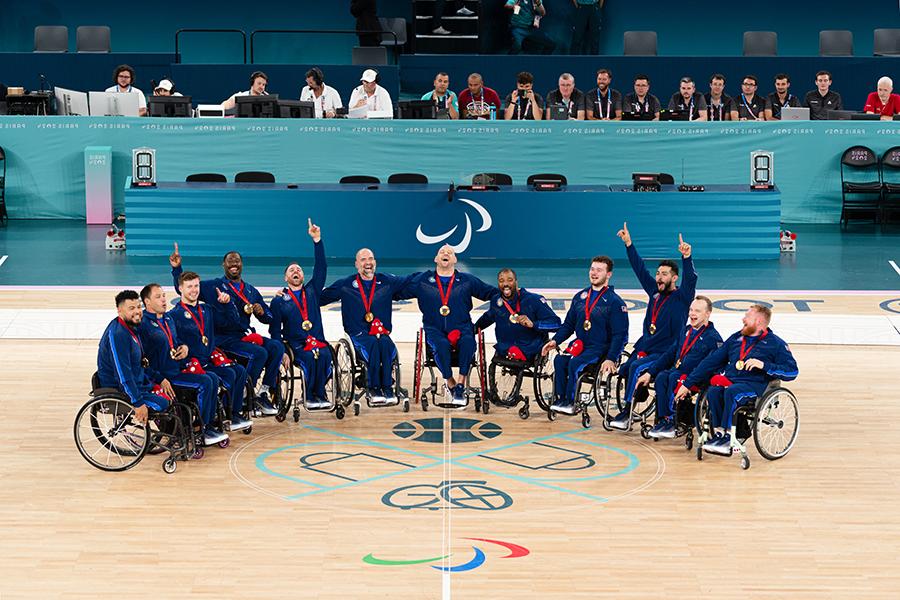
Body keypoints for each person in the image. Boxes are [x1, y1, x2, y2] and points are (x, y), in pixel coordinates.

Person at [169, 245, 283, 416]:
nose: (234, 264)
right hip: (223, 339)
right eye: (230, 261)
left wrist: (262, 311)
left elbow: (268, 317)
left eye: (237, 260)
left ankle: (263, 391)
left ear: (242, 264)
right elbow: (184, 287)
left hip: (243, 336)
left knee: (276, 347)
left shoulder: (251, 290)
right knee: (259, 353)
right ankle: (246, 393)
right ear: (223, 265)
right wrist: (177, 269)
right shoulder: (213, 286)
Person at [675, 305, 798, 455]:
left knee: (732, 392)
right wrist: (688, 383)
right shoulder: (736, 338)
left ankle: (729, 437)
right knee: (713, 391)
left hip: (754, 386)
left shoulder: (776, 344)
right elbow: (711, 362)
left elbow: (792, 371)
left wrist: (764, 365)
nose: (743, 319)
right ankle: (720, 433)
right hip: (732, 380)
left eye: (747, 317)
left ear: (758, 322)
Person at [610, 223, 697, 430]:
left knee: (636, 367)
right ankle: (637, 395)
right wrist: (629, 244)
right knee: (626, 368)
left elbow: (691, 279)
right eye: (658, 273)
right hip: (647, 347)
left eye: (664, 274)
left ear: (674, 278)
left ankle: (627, 411)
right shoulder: (654, 292)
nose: (659, 277)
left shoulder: (682, 297)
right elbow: (639, 270)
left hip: (666, 352)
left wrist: (687, 258)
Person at [396, 244, 497, 405]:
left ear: (455, 259)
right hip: (434, 328)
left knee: (469, 341)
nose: (446, 253)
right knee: (441, 345)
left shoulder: (466, 280)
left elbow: (492, 293)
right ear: (436, 259)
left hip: (462, 327)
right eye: (442, 252)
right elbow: (398, 292)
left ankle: (461, 385)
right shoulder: (423, 281)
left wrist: (497, 309)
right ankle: (450, 383)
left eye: (450, 252)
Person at [138, 283, 228, 446]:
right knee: (205, 382)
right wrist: (159, 379)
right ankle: (203, 430)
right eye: (158, 297)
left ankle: (204, 424)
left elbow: (176, 341)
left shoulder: (168, 318)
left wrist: (184, 348)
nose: (164, 300)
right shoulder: (143, 324)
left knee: (213, 377)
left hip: (176, 369)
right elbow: (141, 360)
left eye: (164, 295)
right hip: (164, 376)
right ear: (147, 302)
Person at [320, 248, 413, 404]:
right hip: (358, 333)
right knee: (373, 346)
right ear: (357, 264)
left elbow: (410, 280)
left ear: (375, 262)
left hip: (381, 332)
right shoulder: (346, 284)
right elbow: (319, 298)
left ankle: (388, 388)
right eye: (363, 260)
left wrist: (432, 276)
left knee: (386, 344)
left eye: (370, 259)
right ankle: (373, 388)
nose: (367, 263)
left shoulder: (386, 281)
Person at [541, 255, 628, 414]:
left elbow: (620, 335)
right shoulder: (580, 297)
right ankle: (560, 399)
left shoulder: (615, 302)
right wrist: (555, 341)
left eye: (599, 270)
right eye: (592, 269)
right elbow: (568, 325)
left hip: (600, 349)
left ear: (608, 274)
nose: (594, 273)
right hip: (580, 345)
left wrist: (611, 357)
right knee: (560, 360)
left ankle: (571, 402)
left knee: (575, 364)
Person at [168, 270, 252, 432]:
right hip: (191, 366)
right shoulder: (174, 315)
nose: (194, 290)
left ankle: (232, 414)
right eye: (189, 286)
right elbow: (174, 342)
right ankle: (205, 424)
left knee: (239, 371)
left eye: (196, 286)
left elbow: (232, 323)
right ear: (180, 289)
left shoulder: (207, 310)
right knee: (214, 378)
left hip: (208, 362)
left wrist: (227, 305)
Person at [635, 296, 722, 439]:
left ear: (708, 314)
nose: (692, 314)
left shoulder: (713, 338)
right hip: (678, 371)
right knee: (662, 376)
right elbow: (669, 354)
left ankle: (672, 420)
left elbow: (709, 367)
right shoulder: (685, 331)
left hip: (696, 378)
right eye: (691, 310)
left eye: (697, 311)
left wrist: (689, 382)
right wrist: (650, 373)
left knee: (673, 377)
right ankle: (663, 419)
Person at [269, 220, 332, 408]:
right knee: (309, 359)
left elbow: (321, 267)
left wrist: (317, 241)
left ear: (303, 277)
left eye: (299, 270)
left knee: (325, 356)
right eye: (291, 270)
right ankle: (311, 396)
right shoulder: (279, 300)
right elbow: (274, 331)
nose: (295, 271)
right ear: (285, 278)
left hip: (318, 340)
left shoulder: (312, 291)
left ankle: (320, 394)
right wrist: (281, 351)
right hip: (296, 346)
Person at [97, 290, 170, 426]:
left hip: (137, 381)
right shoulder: (118, 334)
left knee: (171, 394)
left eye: (138, 307)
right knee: (163, 403)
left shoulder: (132, 328)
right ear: (119, 311)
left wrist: (160, 379)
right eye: (131, 308)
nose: (137, 311)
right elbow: (122, 373)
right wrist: (137, 402)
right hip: (119, 390)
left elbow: (140, 363)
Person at [476, 268, 561, 364]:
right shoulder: (496, 300)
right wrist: (473, 329)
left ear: (516, 282)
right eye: (501, 281)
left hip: (529, 349)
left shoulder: (533, 300)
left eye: (510, 280)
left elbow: (556, 323)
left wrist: (533, 324)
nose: (505, 284)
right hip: (505, 349)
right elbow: (488, 318)